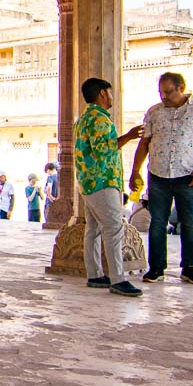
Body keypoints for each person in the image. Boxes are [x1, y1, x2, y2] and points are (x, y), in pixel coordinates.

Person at [129, 71, 193, 285]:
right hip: (158, 175)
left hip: (188, 176)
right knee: (157, 222)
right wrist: (135, 170)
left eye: (169, 92)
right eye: (161, 93)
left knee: (189, 222)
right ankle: (156, 268)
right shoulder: (155, 112)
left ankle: (189, 267)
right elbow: (144, 143)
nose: (164, 97)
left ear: (181, 88)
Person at [73, 77, 146, 297]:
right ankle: (118, 279)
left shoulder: (83, 119)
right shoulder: (99, 119)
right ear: (103, 94)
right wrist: (128, 137)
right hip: (102, 181)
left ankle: (95, 274)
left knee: (93, 229)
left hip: (88, 182)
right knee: (114, 228)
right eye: (110, 92)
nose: (112, 97)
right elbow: (102, 150)